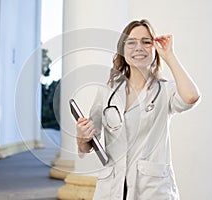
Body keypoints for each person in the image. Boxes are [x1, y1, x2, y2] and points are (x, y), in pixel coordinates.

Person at [76, 19, 201, 200]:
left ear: (154, 48)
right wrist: (82, 136)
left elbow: (191, 97)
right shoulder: (107, 92)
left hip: (152, 190)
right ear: (122, 49)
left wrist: (169, 56)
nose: (138, 47)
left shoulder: (165, 90)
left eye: (146, 42)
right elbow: (87, 145)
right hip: (112, 188)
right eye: (131, 42)